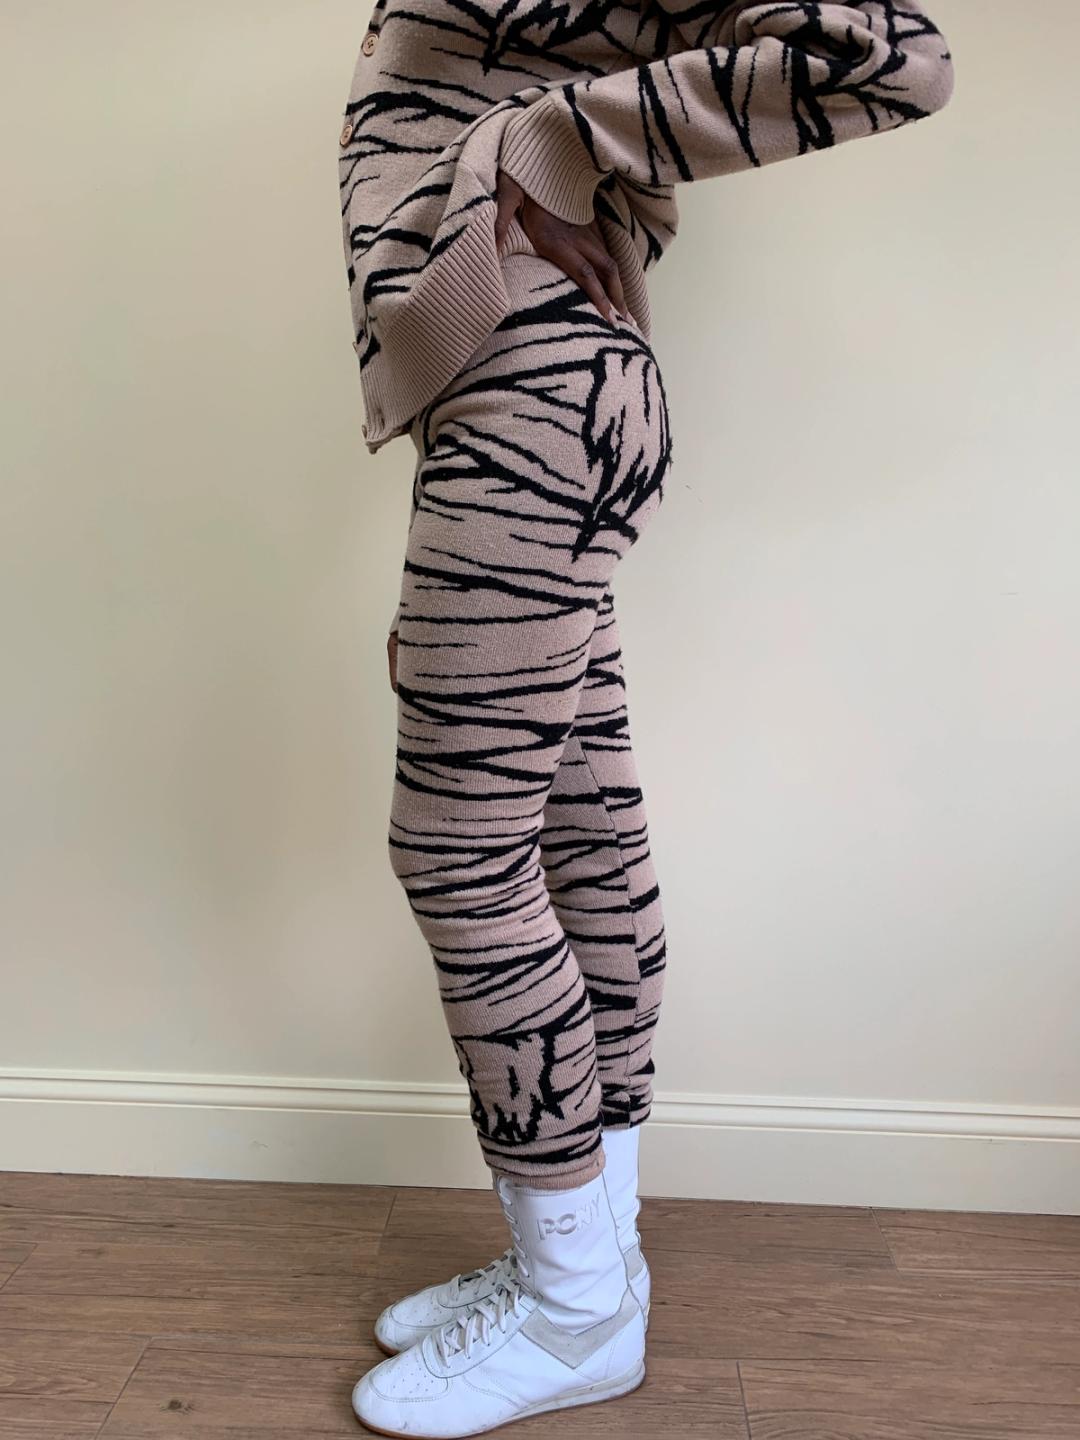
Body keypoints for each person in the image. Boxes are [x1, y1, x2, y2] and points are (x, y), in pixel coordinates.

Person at [338, 2, 955, 1434]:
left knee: (461, 853)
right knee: (576, 831)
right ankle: (588, 1254)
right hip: (536, 396)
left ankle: (573, 1312)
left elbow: (890, 52)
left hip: (534, 403)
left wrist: (552, 140)